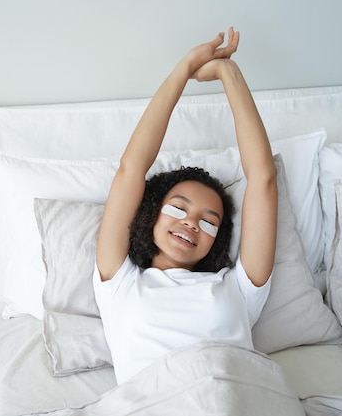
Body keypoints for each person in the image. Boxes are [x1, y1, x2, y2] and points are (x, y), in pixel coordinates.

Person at [93, 28, 278, 385]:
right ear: (151, 213)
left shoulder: (239, 288)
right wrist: (184, 69)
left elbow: (264, 180)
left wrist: (229, 73)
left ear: (217, 240)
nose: (192, 223)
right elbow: (131, 168)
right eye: (178, 208)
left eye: (210, 222)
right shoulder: (120, 282)